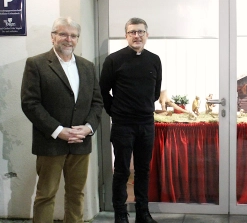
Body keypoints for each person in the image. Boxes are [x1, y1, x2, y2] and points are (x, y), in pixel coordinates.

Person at [20, 17, 103, 223]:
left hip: (80, 143)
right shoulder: (36, 64)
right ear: (53, 37)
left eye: (73, 36)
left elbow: (97, 102)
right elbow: (30, 103)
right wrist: (59, 131)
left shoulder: (87, 67)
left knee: (76, 194)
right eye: (63, 34)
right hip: (50, 142)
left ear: (77, 39)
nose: (68, 39)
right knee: (45, 195)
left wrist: (88, 128)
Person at [99, 17, 161, 223]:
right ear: (126, 35)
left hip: (146, 124)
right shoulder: (114, 60)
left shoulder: (154, 60)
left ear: (147, 35)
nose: (137, 36)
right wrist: (116, 112)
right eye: (132, 32)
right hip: (123, 125)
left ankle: (143, 213)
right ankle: (121, 215)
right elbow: (102, 91)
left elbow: (154, 92)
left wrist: (143, 108)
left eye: (141, 32)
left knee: (143, 170)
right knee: (122, 171)